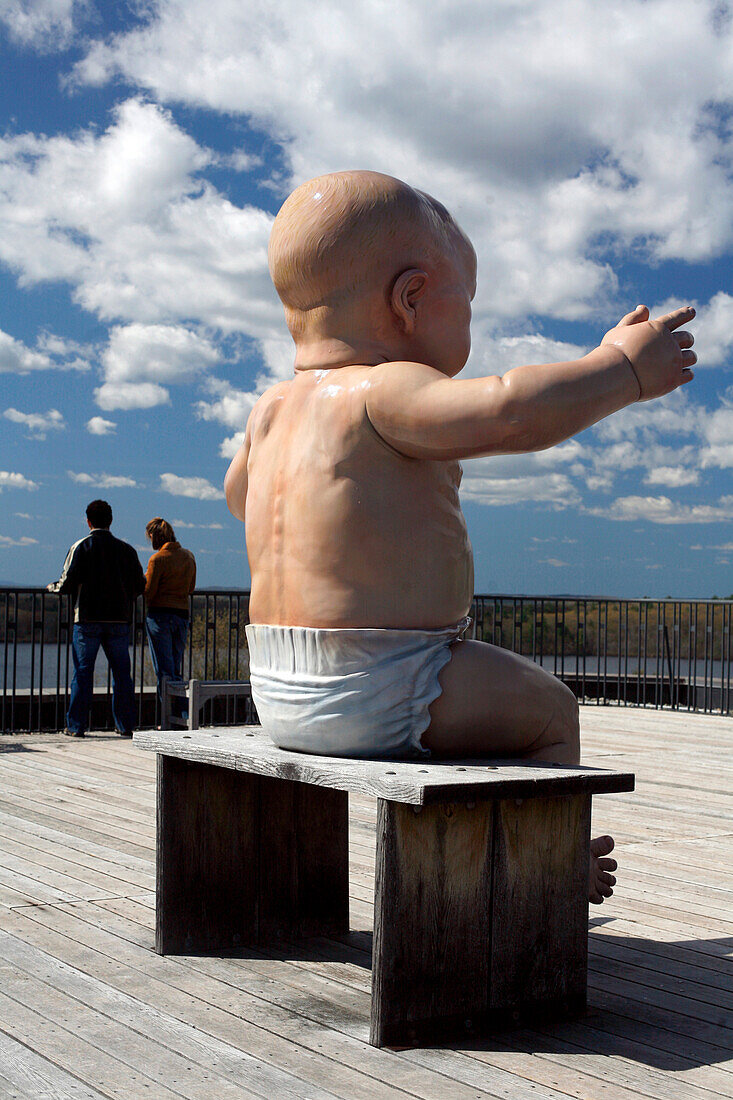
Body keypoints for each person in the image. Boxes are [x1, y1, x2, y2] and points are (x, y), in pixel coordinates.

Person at [224, 170, 696, 904]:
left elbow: (239, 497)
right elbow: (509, 412)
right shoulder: (385, 388)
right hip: (384, 681)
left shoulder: (270, 411)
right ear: (410, 299)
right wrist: (620, 370)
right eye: (465, 302)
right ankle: (550, 864)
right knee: (551, 711)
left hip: (277, 688)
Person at [48, 499, 145, 738]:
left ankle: (76, 726)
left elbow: (66, 582)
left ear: (88, 521)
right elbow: (140, 585)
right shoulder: (126, 550)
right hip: (119, 620)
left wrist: (52, 587)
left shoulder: (81, 547)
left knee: (83, 672)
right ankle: (124, 725)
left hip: (87, 619)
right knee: (122, 673)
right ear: (111, 521)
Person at [143, 517, 196, 717]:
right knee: (176, 668)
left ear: (154, 536)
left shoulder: (157, 559)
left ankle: (167, 717)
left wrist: (145, 579)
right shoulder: (188, 556)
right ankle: (181, 713)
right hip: (182, 615)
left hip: (160, 616)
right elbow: (191, 587)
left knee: (164, 671)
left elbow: (149, 592)